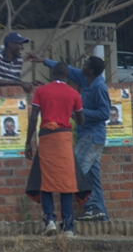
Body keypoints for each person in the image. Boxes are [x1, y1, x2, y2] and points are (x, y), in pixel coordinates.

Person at [28, 53, 110, 222]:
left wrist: (78, 113)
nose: (83, 65)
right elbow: (67, 71)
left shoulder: (99, 86)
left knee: (74, 169)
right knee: (92, 177)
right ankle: (101, 216)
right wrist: (44, 60)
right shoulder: (84, 78)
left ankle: (93, 208)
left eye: (86, 64)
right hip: (86, 134)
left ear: (92, 71)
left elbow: (105, 113)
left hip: (93, 135)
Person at [25, 62, 89, 237]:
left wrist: (27, 143)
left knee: (46, 181)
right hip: (63, 139)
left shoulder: (41, 91)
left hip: (46, 138)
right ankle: (68, 227)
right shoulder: (73, 93)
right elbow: (81, 120)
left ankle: (50, 221)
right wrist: (69, 112)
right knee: (65, 183)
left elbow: (33, 119)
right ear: (67, 76)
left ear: (53, 74)